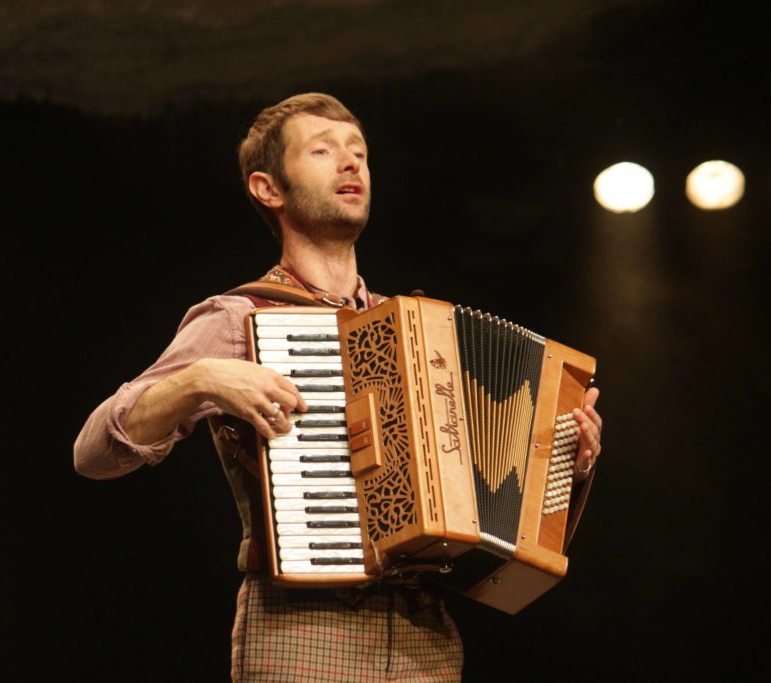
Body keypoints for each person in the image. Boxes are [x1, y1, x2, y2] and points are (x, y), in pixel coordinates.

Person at [73, 92, 603, 682]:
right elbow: (94, 453)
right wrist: (203, 378)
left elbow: (487, 505)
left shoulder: (416, 333)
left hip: (423, 633)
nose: (350, 164)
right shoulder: (239, 316)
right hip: (302, 627)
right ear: (267, 188)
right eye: (322, 151)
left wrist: (562, 461)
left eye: (359, 153)